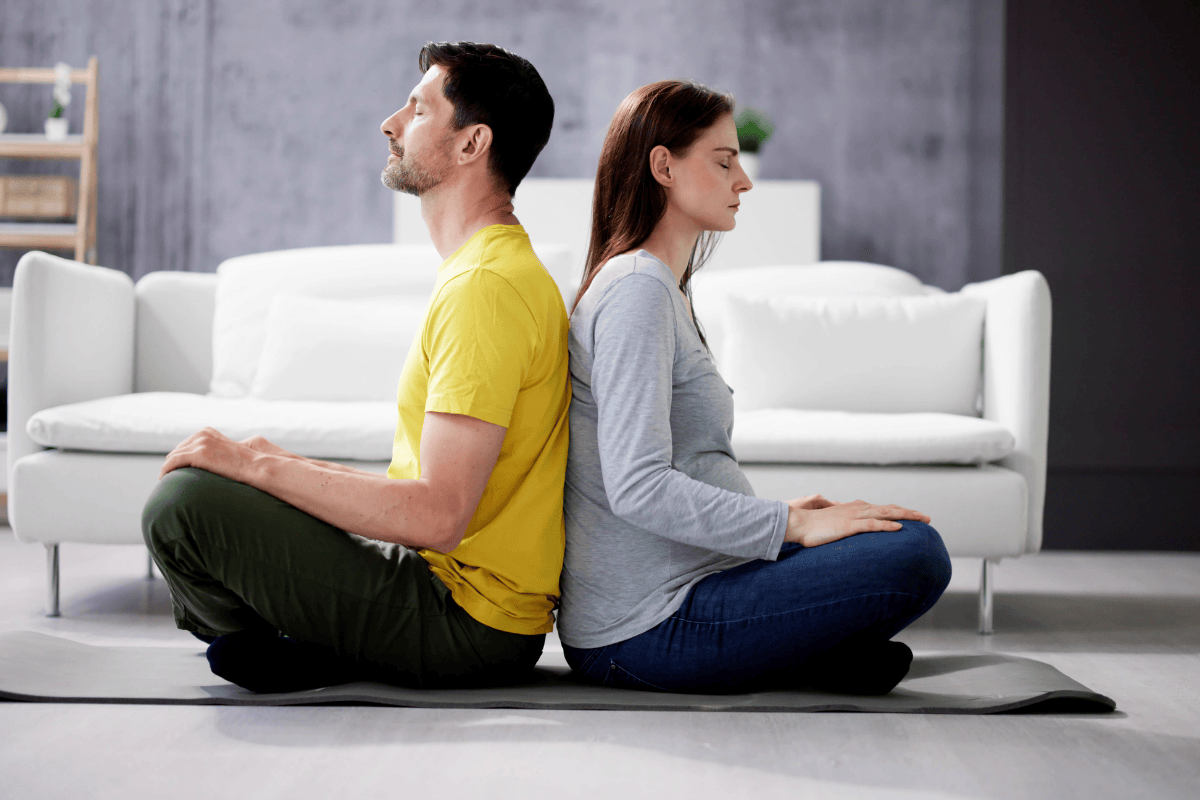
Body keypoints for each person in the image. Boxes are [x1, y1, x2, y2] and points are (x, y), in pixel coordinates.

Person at [142, 41, 569, 693]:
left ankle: (287, 643)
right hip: (440, 589)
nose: (390, 122)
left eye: (419, 109)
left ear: (470, 144)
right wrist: (266, 461)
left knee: (182, 506)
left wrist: (260, 466)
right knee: (228, 479)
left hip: (464, 623)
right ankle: (296, 641)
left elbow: (438, 516)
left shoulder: (487, 286)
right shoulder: (485, 270)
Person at [559, 80, 952, 695]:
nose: (744, 180)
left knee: (891, 534)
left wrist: (786, 516)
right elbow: (636, 486)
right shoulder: (635, 288)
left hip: (705, 579)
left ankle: (803, 657)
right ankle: (809, 657)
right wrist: (786, 527)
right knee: (916, 555)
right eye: (724, 161)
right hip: (645, 626)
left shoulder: (666, 286)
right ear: (663, 165)